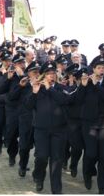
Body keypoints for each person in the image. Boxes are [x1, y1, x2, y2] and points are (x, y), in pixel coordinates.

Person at [27, 61, 70, 194]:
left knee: (56, 160)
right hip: (41, 129)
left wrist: (50, 89)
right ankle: (39, 177)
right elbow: (28, 106)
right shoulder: (37, 88)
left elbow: (64, 101)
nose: (51, 76)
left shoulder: (60, 88)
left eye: (53, 73)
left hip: (59, 130)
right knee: (42, 157)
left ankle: (56, 190)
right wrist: (34, 93)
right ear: (43, 75)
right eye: (48, 74)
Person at [78, 56, 104, 194]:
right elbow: (78, 99)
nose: (101, 70)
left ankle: (101, 186)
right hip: (89, 123)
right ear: (94, 69)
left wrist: (96, 85)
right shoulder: (86, 82)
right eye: (99, 68)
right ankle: (87, 173)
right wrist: (84, 85)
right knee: (91, 153)